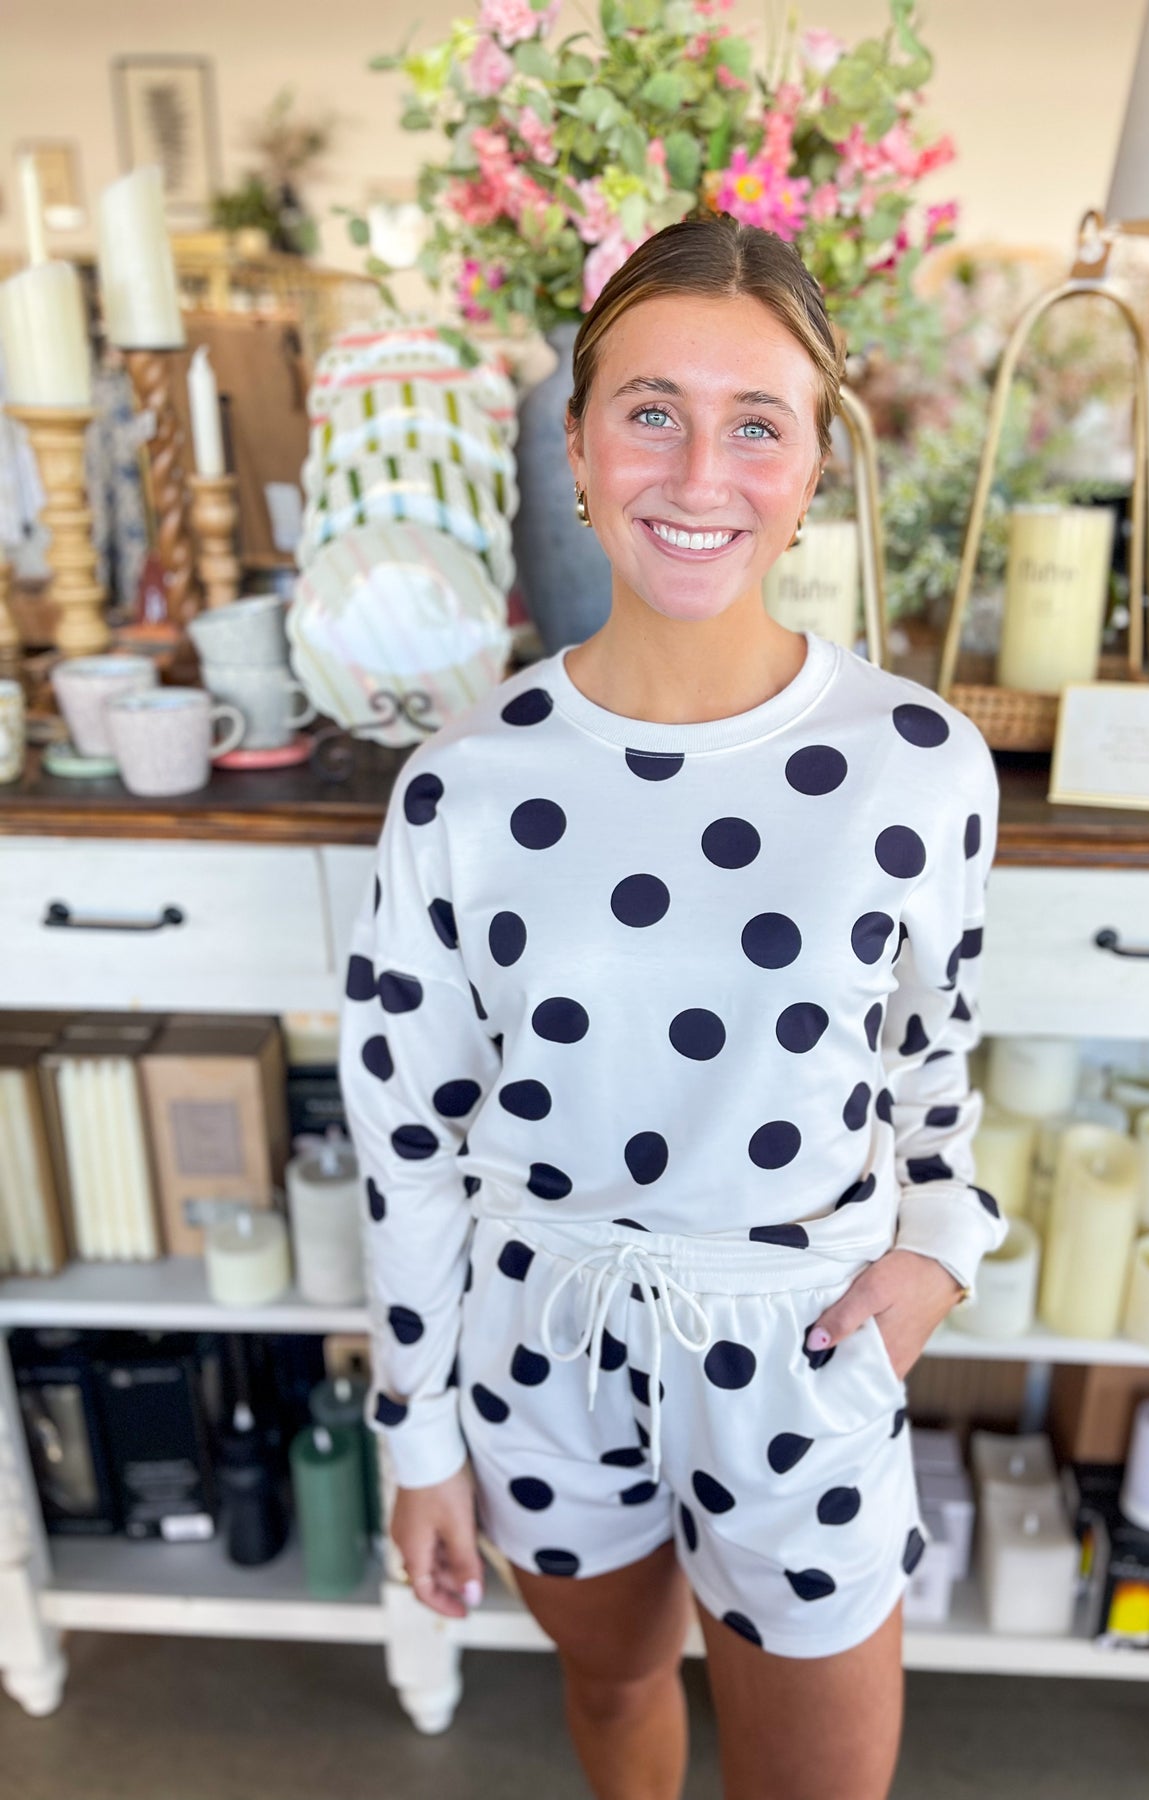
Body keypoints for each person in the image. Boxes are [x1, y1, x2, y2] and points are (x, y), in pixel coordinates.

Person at [337, 210, 1008, 1800]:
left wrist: (936, 1250)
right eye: (652, 412)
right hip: (541, 1346)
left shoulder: (916, 763)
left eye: (755, 424)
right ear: (578, 445)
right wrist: (417, 1438)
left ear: (813, 465)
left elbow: (934, 1054)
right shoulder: (462, 786)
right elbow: (405, 1137)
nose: (699, 474)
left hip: (798, 1351)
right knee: (615, 1679)